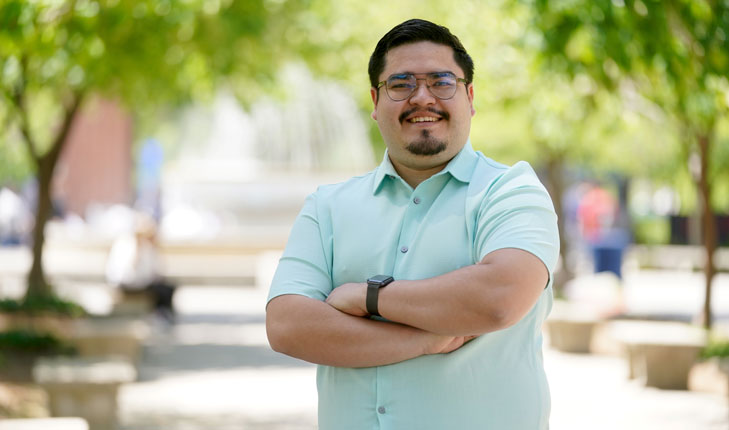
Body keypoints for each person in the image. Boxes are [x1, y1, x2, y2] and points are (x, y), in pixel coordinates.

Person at [266, 19, 559, 429]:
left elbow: (497, 298)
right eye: (401, 84)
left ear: (469, 96)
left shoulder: (511, 192)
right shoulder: (328, 206)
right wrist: (425, 340)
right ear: (375, 99)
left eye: (442, 81)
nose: (422, 97)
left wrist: (368, 298)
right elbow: (287, 325)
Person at [106, 211, 176, 322]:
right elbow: (131, 270)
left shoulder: (145, 245)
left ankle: (162, 314)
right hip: (127, 282)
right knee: (163, 290)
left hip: (136, 281)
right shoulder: (128, 243)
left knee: (166, 287)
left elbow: (156, 270)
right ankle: (160, 315)